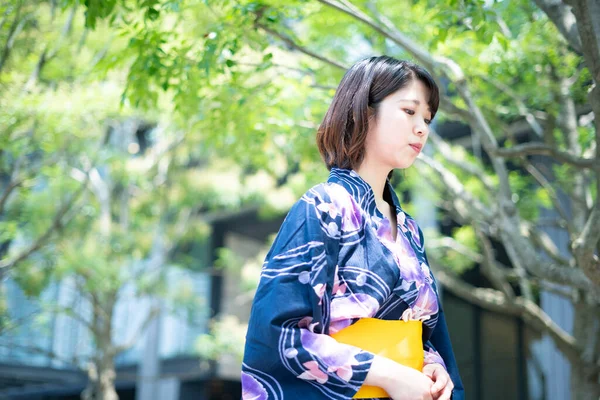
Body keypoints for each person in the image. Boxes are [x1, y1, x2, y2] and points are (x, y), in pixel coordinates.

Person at [241, 55, 465, 400]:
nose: (422, 127)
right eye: (409, 112)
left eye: (427, 119)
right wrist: (388, 374)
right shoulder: (322, 207)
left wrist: (432, 365)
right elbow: (278, 335)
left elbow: (423, 333)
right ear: (364, 110)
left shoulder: (409, 229)